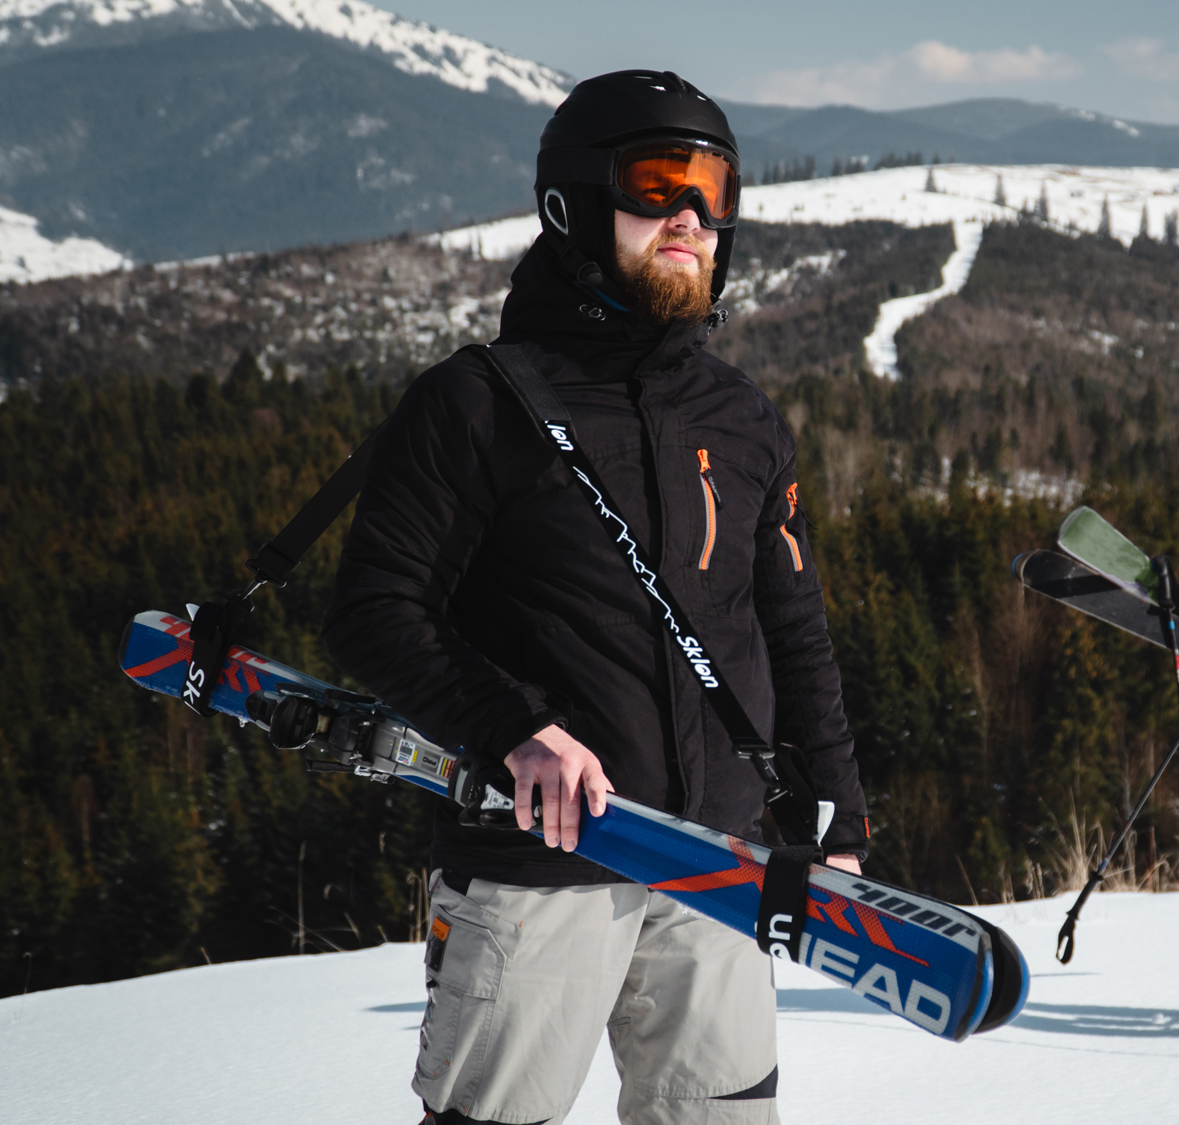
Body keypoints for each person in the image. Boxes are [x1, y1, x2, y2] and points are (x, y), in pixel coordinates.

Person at [322, 70, 868, 1124]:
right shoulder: (475, 403)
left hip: (713, 865)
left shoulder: (740, 414)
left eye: (713, 190)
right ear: (572, 203)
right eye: (659, 184)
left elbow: (790, 628)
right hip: (535, 875)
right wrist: (514, 726)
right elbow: (372, 608)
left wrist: (831, 809)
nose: (691, 219)